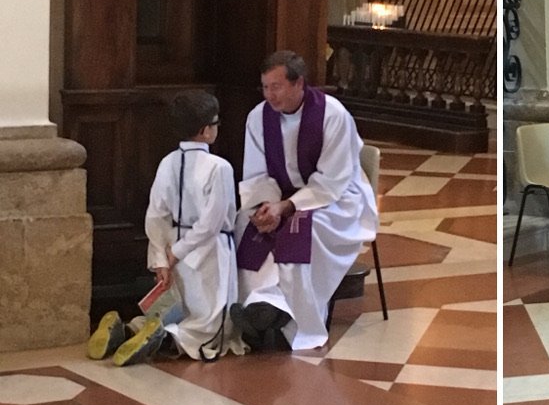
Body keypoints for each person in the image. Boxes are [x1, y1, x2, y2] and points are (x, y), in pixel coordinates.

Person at [87, 90, 246, 366]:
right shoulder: (219, 167)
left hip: (173, 244)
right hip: (208, 253)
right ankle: (165, 337)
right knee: (212, 326)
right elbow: (212, 222)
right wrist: (180, 252)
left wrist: (161, 258)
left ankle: (130, 330)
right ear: (206, 130)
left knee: (178, 307)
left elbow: (156, 214)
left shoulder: (167, 162)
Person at [232, 50, 378, 351]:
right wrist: (265, 208)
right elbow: (256, 173)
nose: (269, 95)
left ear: (299, 84)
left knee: (303, 234)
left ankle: (288, 318)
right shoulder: (258, 117)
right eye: (265, 87)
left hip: (334, 200)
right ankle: (256, 306)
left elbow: (332, 180)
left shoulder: (333, 115)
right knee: (244, 227)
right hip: (279, 197)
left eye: (276, 86)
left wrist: (286, 207)